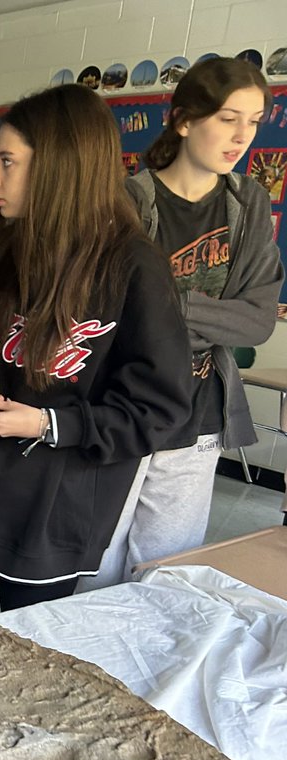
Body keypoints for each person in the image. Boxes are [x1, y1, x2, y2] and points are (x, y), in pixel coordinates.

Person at [0, 84, 194, 613]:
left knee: (31, 648)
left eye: (8, 162)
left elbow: (160, 409)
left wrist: (48, 424)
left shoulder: (131, 268)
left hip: (51, 502)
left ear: (60, 167)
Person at [78, 57, 285, 589]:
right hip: (122, 407)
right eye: (227, 117)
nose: (242, 135)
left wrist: (163, 307)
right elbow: (101, 314)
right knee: (94, 564)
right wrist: (185, 316)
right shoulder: (126, 202)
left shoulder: (248, 202)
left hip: (199, 414)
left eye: (255, 120)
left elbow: (258, 320)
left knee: (162, 572)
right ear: (184, 119)